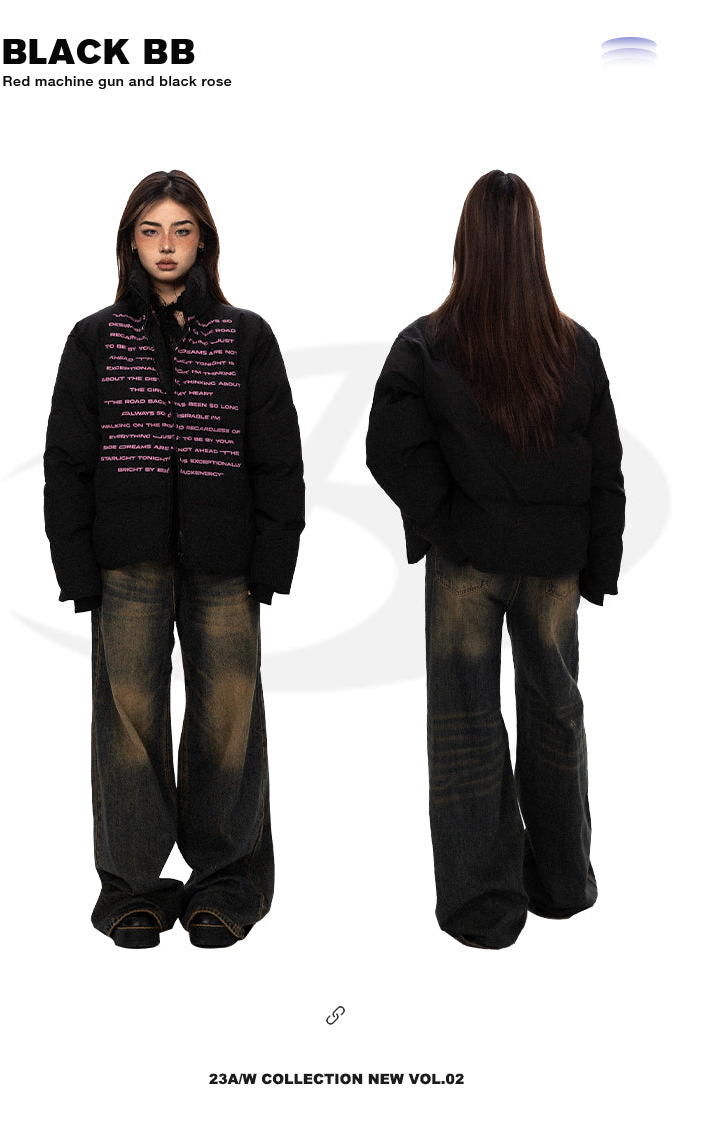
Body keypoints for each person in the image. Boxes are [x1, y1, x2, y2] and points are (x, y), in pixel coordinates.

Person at [44, 170, 305, 949]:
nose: (166, 246)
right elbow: (67, 463)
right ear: (131, 241)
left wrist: (274, 559)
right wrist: (76, 569)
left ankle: (226, 886)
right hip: (126, 564)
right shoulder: (95, 339)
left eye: (181, 230)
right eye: (151, 230)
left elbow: (279, 458)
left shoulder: (245, 336)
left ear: (203, 240)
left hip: (227, 565)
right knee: (128, 726)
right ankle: (131, 890)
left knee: (229, 723)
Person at [366, 170, 625, 950]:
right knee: (556, 714)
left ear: (465, 245)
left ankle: (482, 904)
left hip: (467, 563)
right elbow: (606, 468)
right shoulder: (575, 348)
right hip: (551, 566)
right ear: (533, 247)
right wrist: (598, 566)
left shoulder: (426, 344)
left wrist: (445, 524)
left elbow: (388, 448)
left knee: (465, 725)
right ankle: (562, 882)